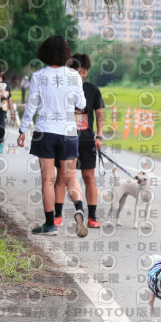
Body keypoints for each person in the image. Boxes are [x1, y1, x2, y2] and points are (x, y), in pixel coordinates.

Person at [17, 35, 88, 237]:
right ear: (66, 53)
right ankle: (79, 209)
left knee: (48, 180)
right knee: (70, 178)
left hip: (45, 133)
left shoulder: (39, 76)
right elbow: (81, 105)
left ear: (44, 53)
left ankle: (50, 225)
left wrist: (22, 131)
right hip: (68, 133)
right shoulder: (74, 76)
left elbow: (31, 106)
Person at [53, 53, 104, 229]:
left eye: (83, 72)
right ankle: (57, 215)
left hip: (87, 141)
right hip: (66, 139)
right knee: (62, 178)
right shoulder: (62, 90)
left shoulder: (93, 90)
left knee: (89, 178)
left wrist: (99, 136)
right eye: (78, 71)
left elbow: (99, 115)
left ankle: (92, 217)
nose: (81, 75)